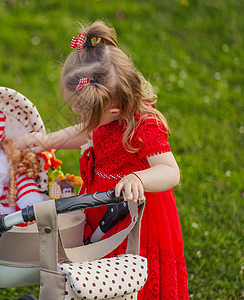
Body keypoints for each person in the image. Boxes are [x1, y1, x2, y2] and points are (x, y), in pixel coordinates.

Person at [15, 20, 188, 299]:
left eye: (83, 112)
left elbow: (170, 171)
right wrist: (48, 141)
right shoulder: (107, 115)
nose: (78, 116)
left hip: (137, 216)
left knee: (128, 273)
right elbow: (87, 133)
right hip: (104, 206)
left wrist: (137, 177)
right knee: (99, 267)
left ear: (115, 107)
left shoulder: (145, 126)